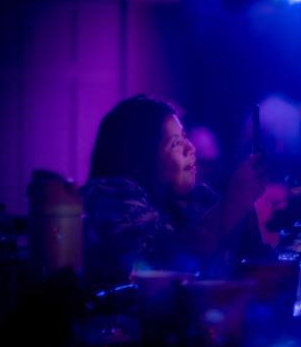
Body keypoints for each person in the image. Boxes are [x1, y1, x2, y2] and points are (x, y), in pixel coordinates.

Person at [82, 95, 266, 289]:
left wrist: (245, 208)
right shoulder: (109, 197)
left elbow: (251, 267)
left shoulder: (188, 202)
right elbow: (168, 265)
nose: (191, 148)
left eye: (185, 137)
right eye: (176, 143)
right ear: (140, 156)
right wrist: (235, 200)